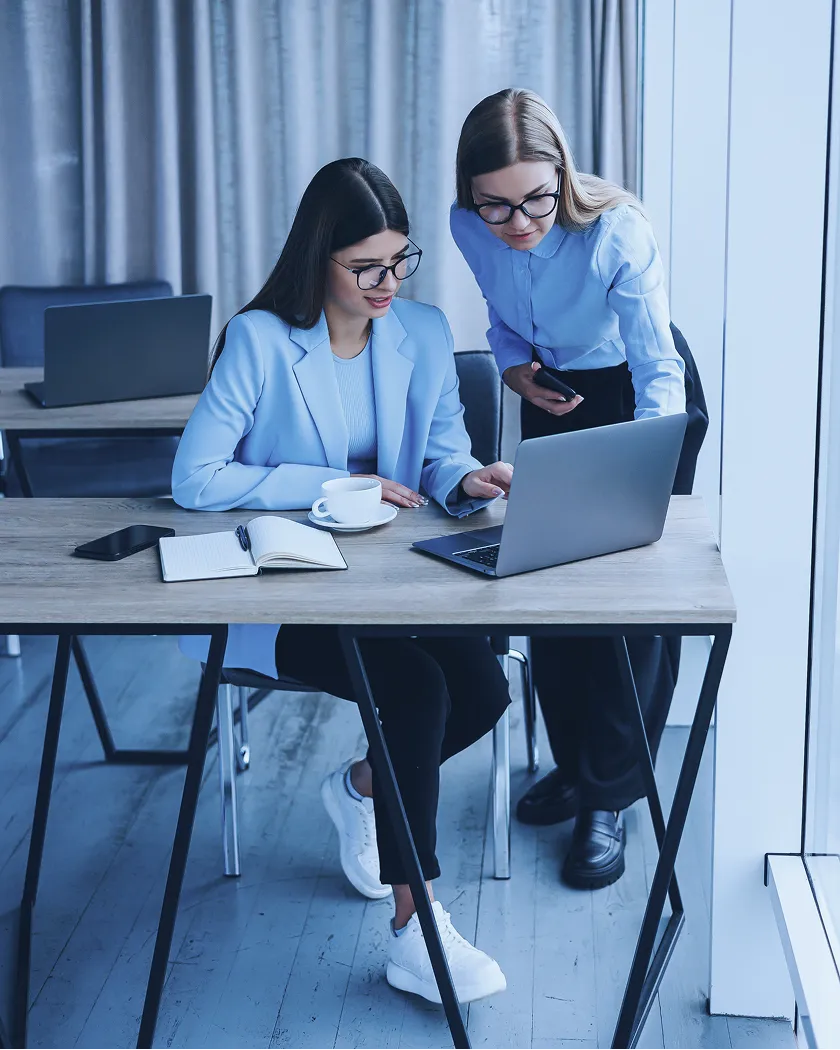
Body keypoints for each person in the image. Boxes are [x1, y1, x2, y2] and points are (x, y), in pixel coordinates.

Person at [172, 158, 513, 1004]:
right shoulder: (260, 340)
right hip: (284, 590)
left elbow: (442, 453)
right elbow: (195, 479)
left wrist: (464, 479)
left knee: (482, 691)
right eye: (367, 268)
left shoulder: (422, 332)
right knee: (414, 690)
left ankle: (362, 787)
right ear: (318, 258)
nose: (389, 283)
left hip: (391, 583)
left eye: (400, 261)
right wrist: (329, 484)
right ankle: (415, 928)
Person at [450, 88, 708, 890]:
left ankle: (611, 795)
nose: (518, 223)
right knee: (548, 586)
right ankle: (577, 763)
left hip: (640, 395)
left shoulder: (616, 231)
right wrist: (513, 366)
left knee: (629, 599)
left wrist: (645, 464)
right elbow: (502, 319)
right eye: (496, 206)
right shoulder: (469, 226)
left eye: (536, 199)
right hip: (554, 392)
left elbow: (659, 366)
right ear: (470, 197)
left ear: (562, 173)